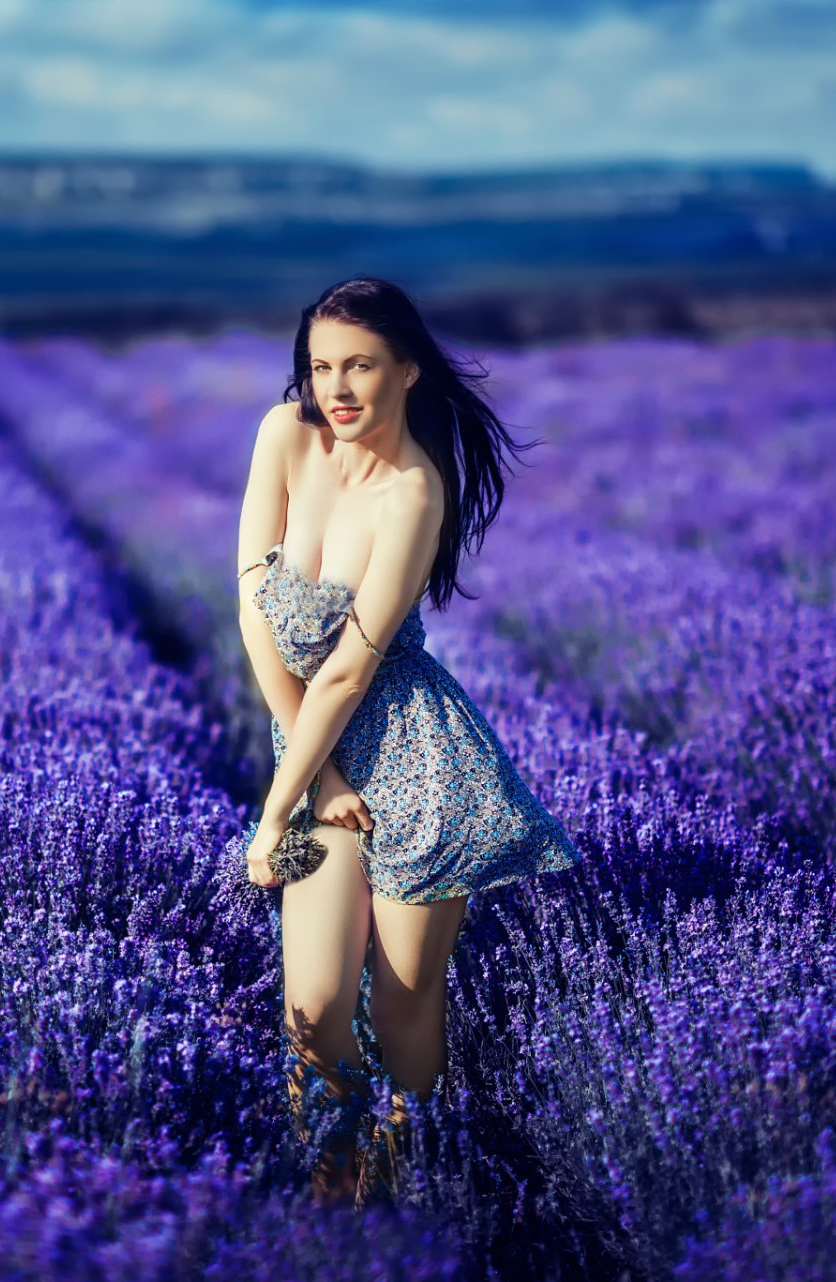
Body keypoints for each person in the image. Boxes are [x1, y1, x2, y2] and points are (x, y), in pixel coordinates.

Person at [231, 276, 583, 1208]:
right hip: (321, 756)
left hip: (421, 765)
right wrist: (316, 780)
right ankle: (335, 1195)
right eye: (321, 366)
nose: (336, 388)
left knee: (399, 1008)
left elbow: (348, 671)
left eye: (360, 366)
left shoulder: (414, 494)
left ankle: (409, 1182)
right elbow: (252, 610)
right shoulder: (284, 436)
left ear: (408, 371)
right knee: (312, 1011)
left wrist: (273, 817)